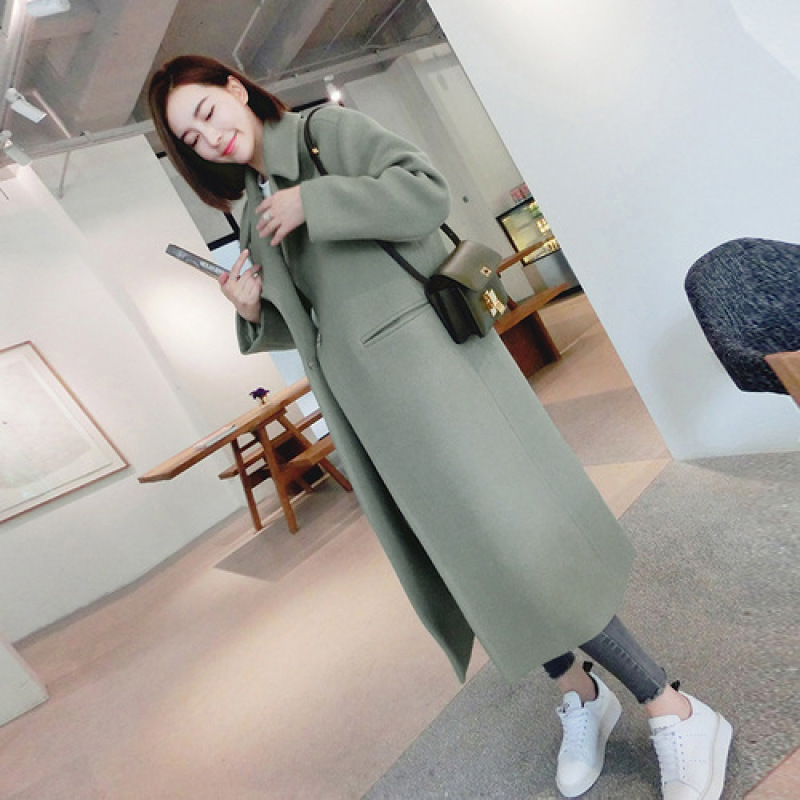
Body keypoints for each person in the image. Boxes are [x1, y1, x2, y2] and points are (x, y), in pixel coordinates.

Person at [148, 55, 732, 799]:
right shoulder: (256, 207)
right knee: (475, 562)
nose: (208, 138)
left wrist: (316, 202)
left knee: (525, 550)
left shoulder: (324, 134)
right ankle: (580, 693)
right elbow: (318, 319)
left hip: (443, 388)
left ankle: (672, 706)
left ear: (235, 89)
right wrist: (253, 309)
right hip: (380, 420)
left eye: (206, 112)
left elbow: (424, 195)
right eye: (189, 139)